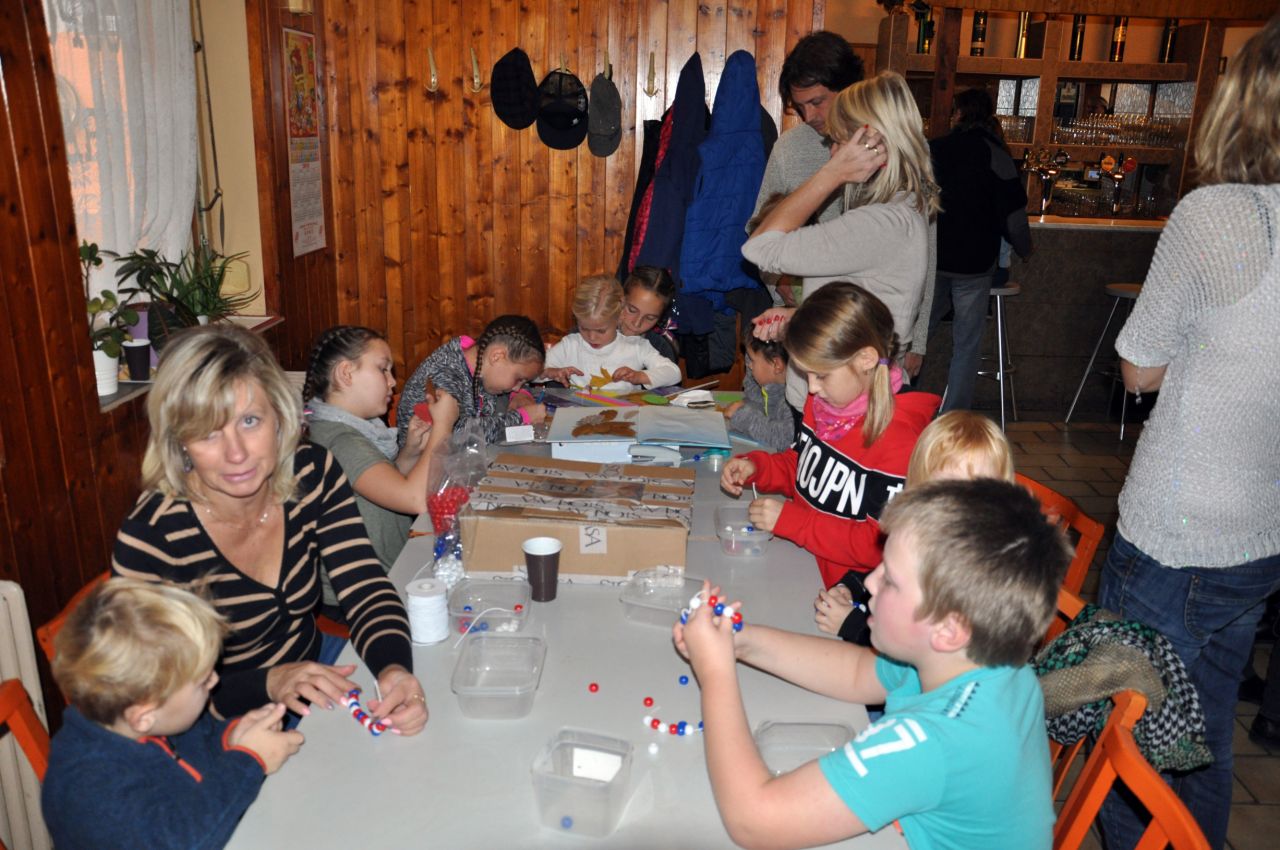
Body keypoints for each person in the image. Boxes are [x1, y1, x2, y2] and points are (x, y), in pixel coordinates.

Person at [1096, 17, 1280, 850]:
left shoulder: (1220, 214)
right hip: (1260, 535)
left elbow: (1137, 366)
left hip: (1177, 534)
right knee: (1201, 737)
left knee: (1125, 741)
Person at [675, 479, 1070, 850]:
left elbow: (753, 820)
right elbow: (856, 673)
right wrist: (741, 642)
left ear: (949, 629)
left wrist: (716, 673)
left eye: (891, 580)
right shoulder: (982, 661)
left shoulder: (933, 742)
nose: (870, 583)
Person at [112, 325, 428, 734]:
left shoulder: (311, 472)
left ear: (279, 416)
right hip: (219, 717)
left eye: (249, 421)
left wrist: (394, 668)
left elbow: (364, 586)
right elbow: (156, 693)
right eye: (207, 432)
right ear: (179, 441)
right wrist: (271, 682)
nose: (236, 454)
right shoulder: (155, 535)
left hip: (317, 673)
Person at [43, 578, 304, 850]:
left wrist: (233, 737)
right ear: (144, 716)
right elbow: (184, 841)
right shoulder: (88, 791)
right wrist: (248, 760)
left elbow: (203, 740)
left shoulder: (149, 719)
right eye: (202, 681)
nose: (215, 680)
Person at [719, 282, 940, 591]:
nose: (811, 388)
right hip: (805, 567)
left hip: (847, 596)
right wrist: (759, 467)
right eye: (806, 374)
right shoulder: (825, 403)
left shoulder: (901, 441)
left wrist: (793, 522)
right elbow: (805, 468)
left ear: (866, 359)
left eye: (821, 375)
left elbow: (879, 546)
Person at [743, 71, 940, 411]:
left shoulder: (879, 223)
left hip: (841, 407)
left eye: (838, 142)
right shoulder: (899, 210)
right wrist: (798, 317)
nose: (832, 152)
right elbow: (863, 308)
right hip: (847, 401)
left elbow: (759, 247)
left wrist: (831, 174)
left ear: (870, 145)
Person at [816, 411, 1016, 643]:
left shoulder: (970, 575)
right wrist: (853, 587)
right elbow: (891, 574)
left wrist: (852, 626)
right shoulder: (924, 532)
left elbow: (914, 649)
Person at [303, 326, 459, 609]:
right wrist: (443, 426)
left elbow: (376, 488)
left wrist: (410, 454)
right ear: (346, 373)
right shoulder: (340, 440)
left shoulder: (349, 428)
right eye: (382, 369)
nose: (392, 382)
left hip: (387, 574)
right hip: (363, 599)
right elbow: (413, 500)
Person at [924, 87, 1031, 413]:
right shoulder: (996, 154)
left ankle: (898, 401)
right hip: (975, 264)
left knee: (916, 334)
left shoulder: (934, 149)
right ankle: (953, 415)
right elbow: (1014, 213)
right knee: (966, 345)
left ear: (958, 114)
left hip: (934, 258)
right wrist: (1025, 248)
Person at [750, 31, 864, 309]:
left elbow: (921, 250)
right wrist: (778, 279)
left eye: (816, 102)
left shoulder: (893, 146)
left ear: (849, 89)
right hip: (803, 317)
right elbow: (758, 226)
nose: (809, 117)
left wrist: (915, 334)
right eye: (800, 107)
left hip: (872, 316)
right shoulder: (789, 147)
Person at [396, 314, 547, 447]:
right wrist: (521, 417)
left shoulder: (481, 362)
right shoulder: (444, 375)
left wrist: (520, 394)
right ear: (497, 357)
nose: (517, 387)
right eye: (518, 379)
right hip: (427, 464)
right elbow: (457, 437)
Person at [542, 274, 682, 392]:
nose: (592, 337)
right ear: (623, 306)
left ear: (619, 313)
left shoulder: (639, 346)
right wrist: (551, 372)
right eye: (584, 328)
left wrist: (639, 376)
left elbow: (674, 373)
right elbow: (535, 368)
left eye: (601, 331)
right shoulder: (571, 343)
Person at [723, 335, 795, 451]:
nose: (749, 366)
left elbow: (785, 438)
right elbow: (755, 398)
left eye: (752, 361)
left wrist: (744, 417)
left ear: (777, 365)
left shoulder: (791, 400)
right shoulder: (772, 385)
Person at [620, 265, 681, 363]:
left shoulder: (661, 350)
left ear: (660, 318)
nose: (637, 324)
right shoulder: (594, 330)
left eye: (650, 318)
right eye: (632, 310)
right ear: (621, 300)